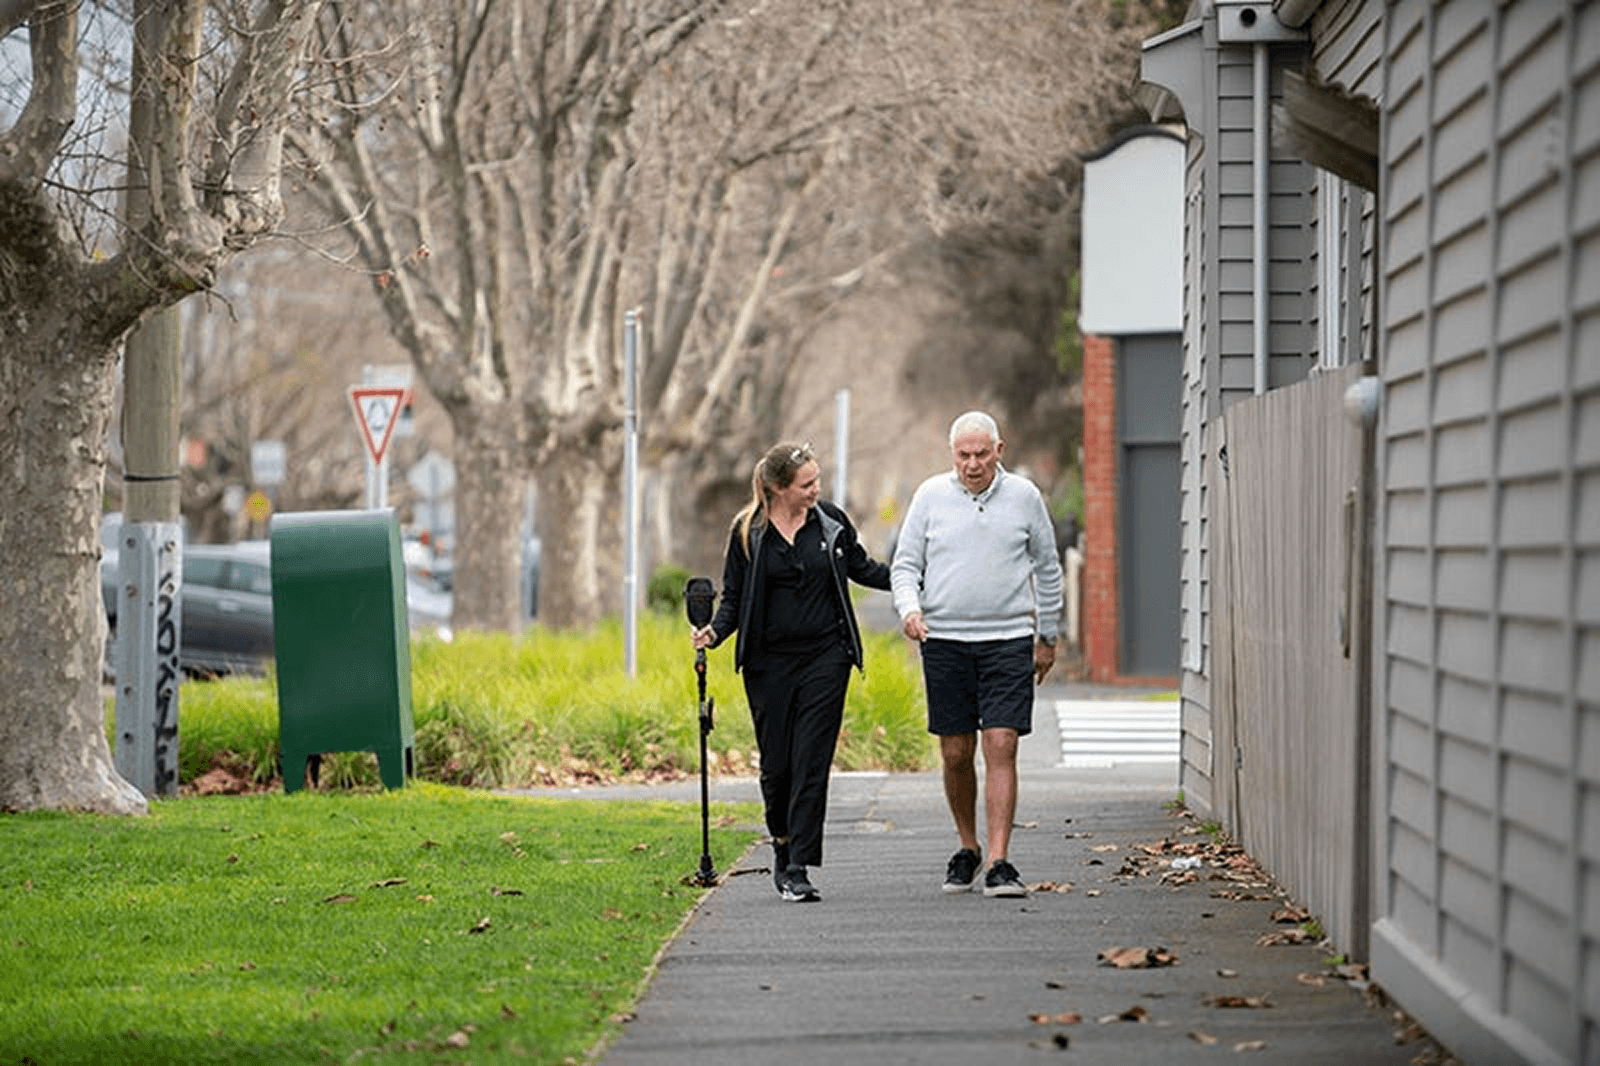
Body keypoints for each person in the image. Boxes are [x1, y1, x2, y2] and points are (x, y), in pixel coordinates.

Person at [692, 441, 891, 902]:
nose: (816, 490)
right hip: (767, 665)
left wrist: (913, 576)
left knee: (811, 762)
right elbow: (735, 598)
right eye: (807, 484)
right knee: (777, 766)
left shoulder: (831, 521)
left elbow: (862, 568)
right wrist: (714, 634)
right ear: (777, 488)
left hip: (827, 658)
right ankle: (781, 844)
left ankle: (799, 864)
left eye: (818, 481)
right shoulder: (748, 532)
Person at [891, 411, 1063, 897]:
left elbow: (1048, 569)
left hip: (1007, 638)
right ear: (952, 455)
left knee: (1002, 743)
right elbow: (905, 565)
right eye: (963, 455)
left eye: (981, 454)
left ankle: (1000, 860)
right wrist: (909, 610)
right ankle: (967, 847)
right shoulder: (930, 496)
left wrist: (1046, 634)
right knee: (955, 751)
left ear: (999, 450)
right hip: (944, 640)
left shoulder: (1025, 498)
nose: (972, 464)